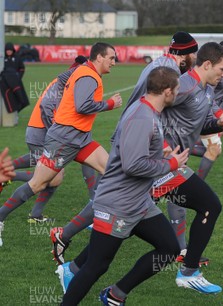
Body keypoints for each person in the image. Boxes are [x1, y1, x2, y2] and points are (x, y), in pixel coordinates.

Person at [60, 66, 189, 305]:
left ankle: (115, 295)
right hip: (117, 204)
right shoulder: (142, 116)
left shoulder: (148, 111)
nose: (178, 94)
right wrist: (170, 164)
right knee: (96, 266)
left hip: (138, 202)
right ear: (168, 91)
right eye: (177, 90)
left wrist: (162, 153)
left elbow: (138, 153)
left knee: (169, 248)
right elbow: (133, 166)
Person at [0, 42, 122, 247]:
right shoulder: (88, 75)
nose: (114, 62)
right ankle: (1, 216)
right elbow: (82, 106)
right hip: (65, 140)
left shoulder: (85, 72)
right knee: (38, 184)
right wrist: (110, 104)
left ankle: (101, 217)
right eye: (111, 58)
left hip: (80, 139)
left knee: (111, 171)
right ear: (99, 57)